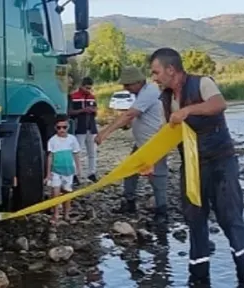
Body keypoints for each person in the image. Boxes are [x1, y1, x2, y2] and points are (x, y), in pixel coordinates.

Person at [149, 47, 244, 285]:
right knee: (194, 217)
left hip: (221, 161)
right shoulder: (165, 99)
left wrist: (187, 111)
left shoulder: (202, 83)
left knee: (229, 217)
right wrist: (151, 164)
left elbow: (219, 104)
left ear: (171, 69)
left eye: (156, 72)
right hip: (192, 165)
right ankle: (199, 278)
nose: (154, 78)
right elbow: (166, 135)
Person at [95, 66, 168, 223]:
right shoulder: (142, 93)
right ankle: (130, 203)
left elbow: (130, 114)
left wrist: (105, 132)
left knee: (157, 177)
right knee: (129, 171)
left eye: (127, 85)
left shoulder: (150, 91)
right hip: (141, 143)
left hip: (154, 144)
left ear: (138, 82)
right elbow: (138, 115)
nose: (125, 88)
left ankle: (162, 211)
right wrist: (129, 125)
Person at [46, 115, 82, 224]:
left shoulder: (72, 139)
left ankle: (66, 214)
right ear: (55, 128)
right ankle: (56, 213)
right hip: (56, 170)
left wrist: (79, 169)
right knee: (55, 191)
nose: (61, 130)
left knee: (67, 193)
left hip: (69, 170)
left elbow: (76, 154)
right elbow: (50, 157)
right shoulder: (52, 140)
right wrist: (48, 173)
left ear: (68, 127)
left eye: (64, 127)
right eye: (59, 127)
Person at [69, 76, 99, 183]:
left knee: (92, 152)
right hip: (79, 128)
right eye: (86, 88)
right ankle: (75, 174)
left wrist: (94, 111)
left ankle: (92, 173)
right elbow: (70, 112)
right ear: (81, 86)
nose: (88, 90)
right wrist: (83, 110)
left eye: (90, 88)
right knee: (77, 152)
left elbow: (96, 111)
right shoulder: (73, 97)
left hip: (91, 128)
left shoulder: (92, 97)